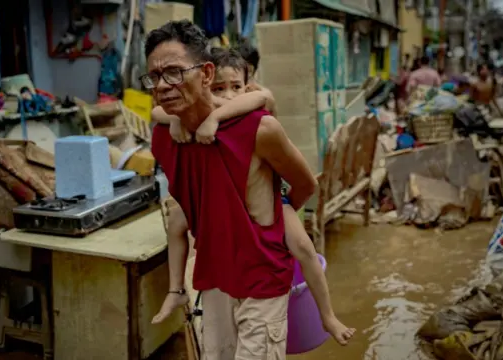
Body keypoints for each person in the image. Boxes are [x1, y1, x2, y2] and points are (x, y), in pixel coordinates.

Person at [143, 21, 354, 359]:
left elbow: (305, 184)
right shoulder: (166, 137)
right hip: (214, 280)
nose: (162, 86)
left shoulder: (259, 129)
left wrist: (274, 222)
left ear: (205, 73)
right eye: (154, 77)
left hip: (262, 281)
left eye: (174, 73)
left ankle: (326, 316)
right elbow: (190, 205)